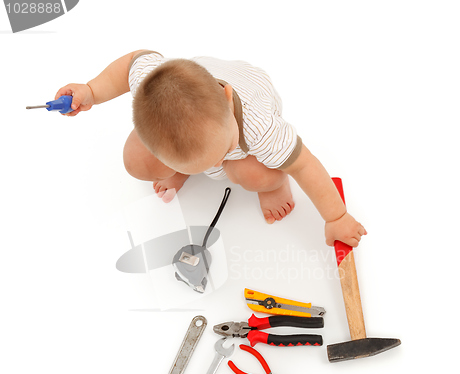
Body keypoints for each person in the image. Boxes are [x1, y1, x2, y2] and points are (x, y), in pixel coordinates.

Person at [56, 50, 366, 247]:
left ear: (228, 99)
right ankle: (184, 162)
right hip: (189, 95)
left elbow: (304, 165)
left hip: (248, 123)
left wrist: (336, 217)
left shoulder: (262, 130)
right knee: (135, 159)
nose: (215, 167)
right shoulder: (149, 80)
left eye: (218, 156)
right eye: (202, 166)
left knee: (257, 174)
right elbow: (129, 64)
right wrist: (91, 91)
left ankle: (273, 184)